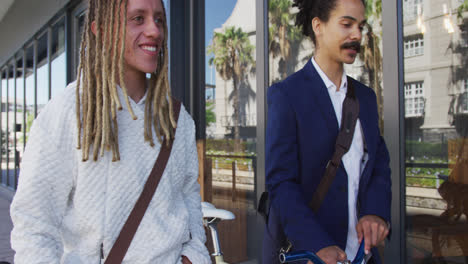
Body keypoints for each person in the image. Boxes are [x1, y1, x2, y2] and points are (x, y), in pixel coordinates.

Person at [10, 0, 210, 263]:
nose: (155, 30)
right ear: (101, 30)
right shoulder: (68, 112)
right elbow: (33, 225)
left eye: (159, 20)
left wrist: (193, 256)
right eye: (138, 18)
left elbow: (188, 195)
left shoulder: (177, 118)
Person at [262, 0, 391, 263]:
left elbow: (378, 163)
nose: (357, 35)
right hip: (311, 254)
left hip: (362, 255)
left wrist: (376, 213)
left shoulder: (365, 98)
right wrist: (317, 244)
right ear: (318, 26)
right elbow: (281, 183)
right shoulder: (287, 95)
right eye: (346, 24)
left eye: (360, 26)